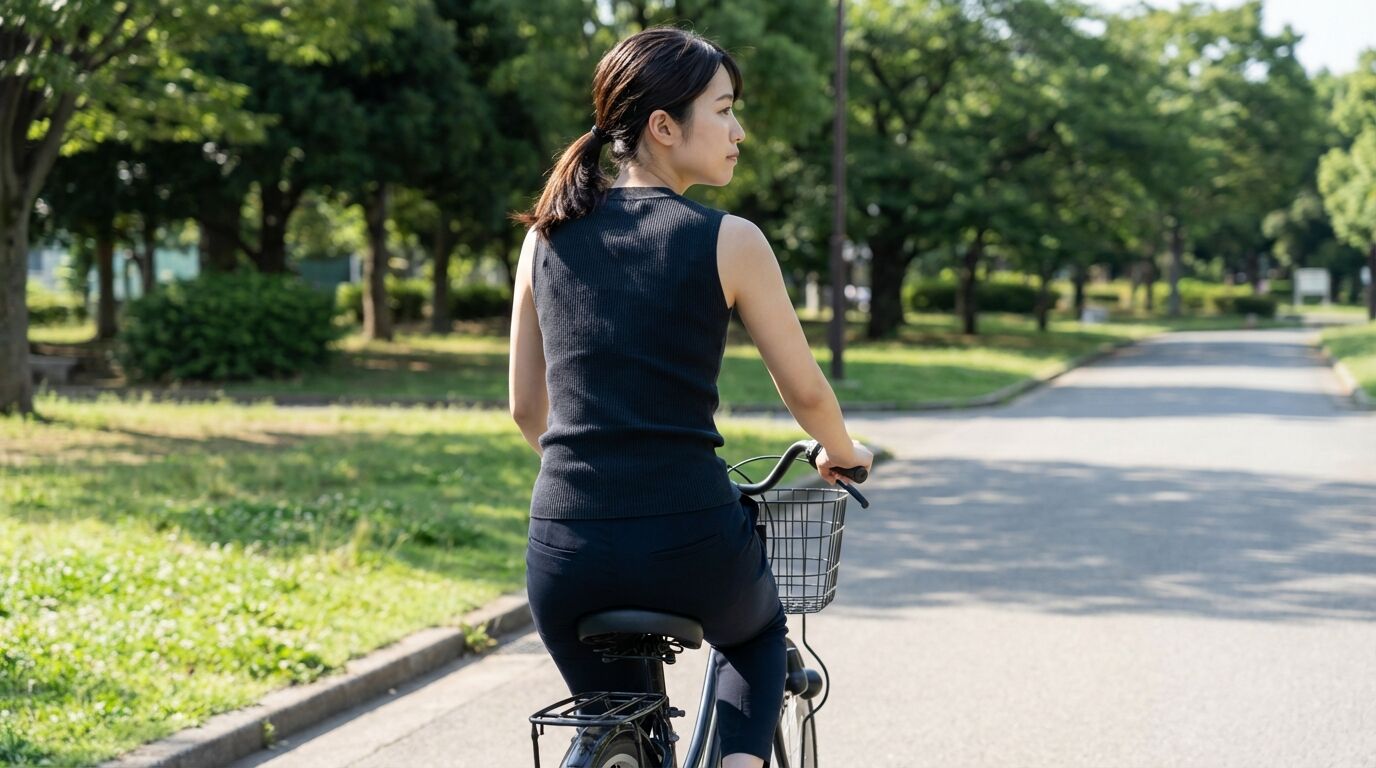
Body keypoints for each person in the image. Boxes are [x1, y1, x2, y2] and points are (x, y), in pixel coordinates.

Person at [507, 25, 874, 768]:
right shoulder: (729, 239)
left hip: (565, 549)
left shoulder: (544, 237)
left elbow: (526, 410)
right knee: (757, 633)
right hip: (691, 538)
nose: (739, 132)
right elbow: (804, 389)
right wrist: (844, 452)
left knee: (608, 714)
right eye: (725, 109)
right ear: (664, 127)